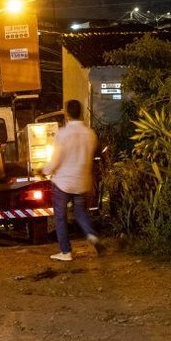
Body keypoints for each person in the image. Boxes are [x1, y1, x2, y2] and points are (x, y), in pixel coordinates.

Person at [43, 99, 103, 261]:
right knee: (80, 211)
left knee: (60, 216)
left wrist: (44, 170)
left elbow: (56, 160)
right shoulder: (90, 134)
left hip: (63, 182)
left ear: (67, 114)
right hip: (82, 181)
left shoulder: (62, 134)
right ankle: (92, 235)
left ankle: (66, 251)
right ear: (81, 112)